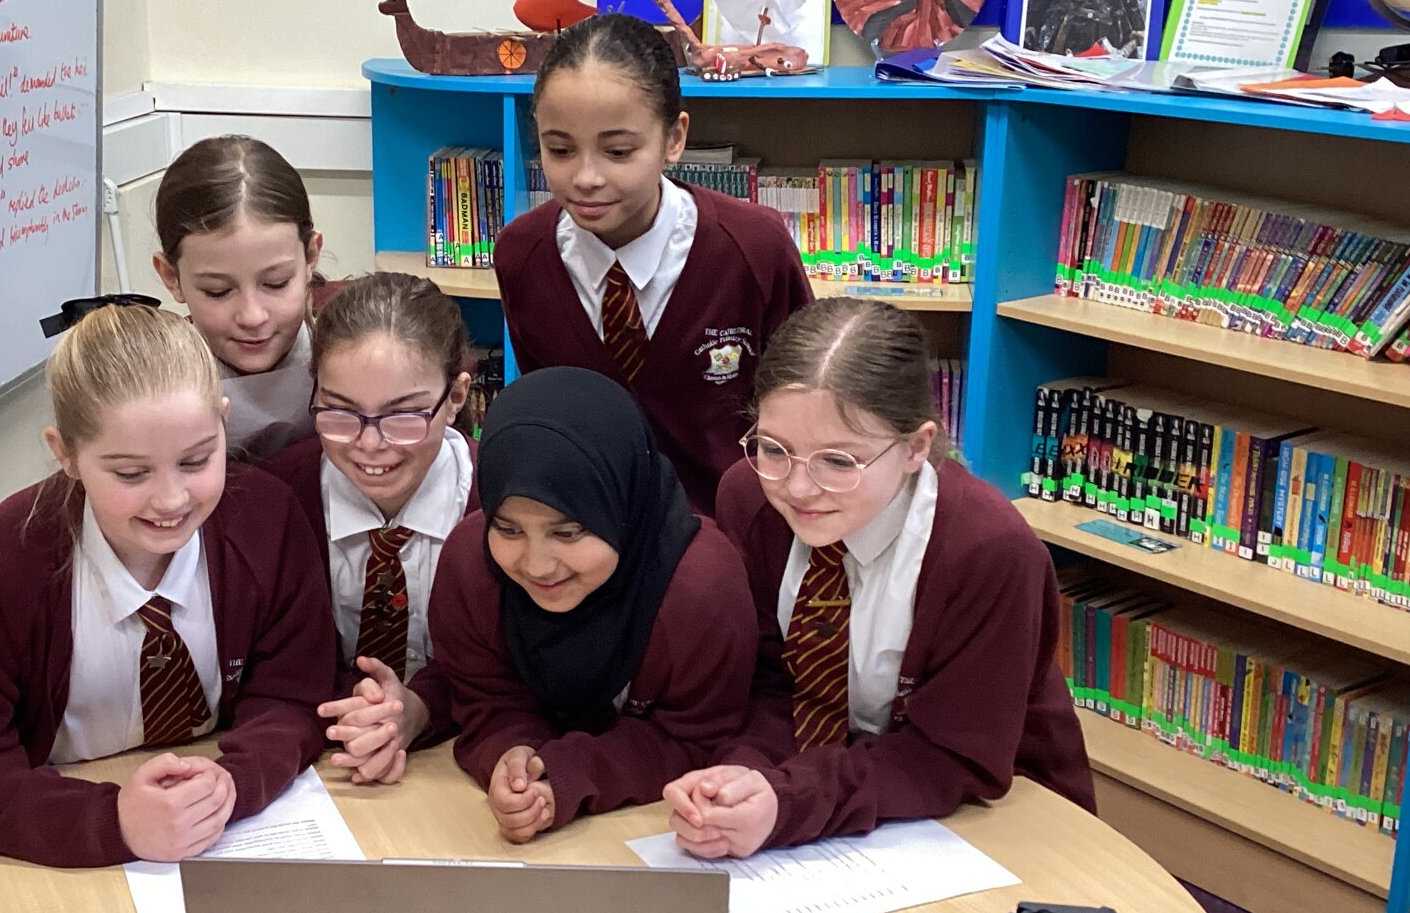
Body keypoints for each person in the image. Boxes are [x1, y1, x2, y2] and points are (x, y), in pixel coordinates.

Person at [0, 300, 334, 867]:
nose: (171, 499)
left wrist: (234, 781)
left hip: (217, 833)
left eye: (197, 461)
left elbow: (294, 695)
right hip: (57, 851)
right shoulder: (3, 562)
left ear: (223, 424)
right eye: (131, 473)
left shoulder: (266, 519)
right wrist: (112, 821)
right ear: (66, 454)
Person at [663, 299, 1094, 859]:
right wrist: (741, 773)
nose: (798, 488)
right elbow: (771, 683)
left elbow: (957, 757)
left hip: (989, 816)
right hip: (831, 802)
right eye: (774, 449)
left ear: (916, 447)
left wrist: (789, 800)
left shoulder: (989, 550)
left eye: (839, 461)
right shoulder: (750, 499)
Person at [492, 13, 813, 513]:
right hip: (589, 531)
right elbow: (551, 409)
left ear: (674, 138)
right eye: (560, 149)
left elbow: (806, 409)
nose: (586, 177)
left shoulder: (754, 247)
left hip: (732, 530)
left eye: (619, 151)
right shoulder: (522, 255)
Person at [432, 366, 757, 842]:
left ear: (622, 504)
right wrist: (511, 754)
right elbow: (486, 698)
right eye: (508, 528)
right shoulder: (472, 566)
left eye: (568, 532)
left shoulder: (700, 590)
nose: (537, 565)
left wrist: (571, 774)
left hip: (656, 829)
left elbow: (697, 736)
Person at [262, 272, 480, 784]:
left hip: (456, 759)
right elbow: (272, 660)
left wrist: (421, 707)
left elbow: (513, 663)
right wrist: (359, 707)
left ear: (455, 397)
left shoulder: (502, 503)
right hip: (324, 758)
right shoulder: (279, 497)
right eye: (340, 412)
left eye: (404, 415)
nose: (370, 444)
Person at [152, 134, 325, 460]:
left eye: (276, 283)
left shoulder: (352, 348)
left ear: (310, 257)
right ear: (171, 277)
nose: (252, 317)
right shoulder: (151, 385)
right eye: (217, 292)